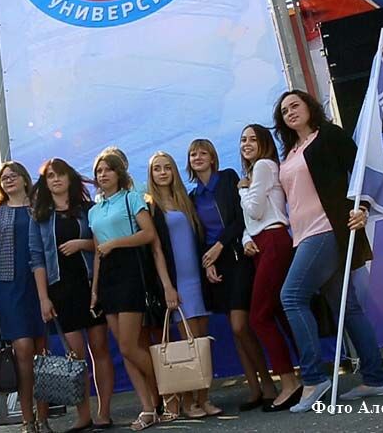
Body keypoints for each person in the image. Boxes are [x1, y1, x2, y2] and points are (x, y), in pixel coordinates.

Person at [273, 90, 383, 412]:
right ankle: (375, 379)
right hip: (304, 235)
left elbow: (363, 171)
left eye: (295, 105)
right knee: (347, 308)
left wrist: (363, 207)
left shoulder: (328, 136)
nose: (290, 112)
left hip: (326, 230)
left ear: (310, 107)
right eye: (284, 110)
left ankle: (313, 379)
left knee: (291, 297)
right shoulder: (290, 152)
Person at [88, 152, 178, 431]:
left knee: (129, 346)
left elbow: (149, 234)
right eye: (99, 171)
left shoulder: (131, 198)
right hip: (107, 278)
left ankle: (167, 389)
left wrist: (115, 243)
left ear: (119, 173)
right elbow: (97, 252)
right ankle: (148, 408)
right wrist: (94, 289)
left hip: (130, 273)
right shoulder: (94, 210)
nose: (103, 175)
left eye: (108, 170)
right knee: (126, 350)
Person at [186, 139, 278, 411]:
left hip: (237, 256)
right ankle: (254, 390)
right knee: (235, 331)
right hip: (215, 264)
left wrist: (219, 246)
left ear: (212, 158)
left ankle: (269, 385)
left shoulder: (227, 179)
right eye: (193, 154)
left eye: (203, 153)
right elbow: (198, 234)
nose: (198, 157)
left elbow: (240, 219)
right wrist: (208, 263)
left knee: (241, 325)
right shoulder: (193, 197)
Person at [29, 158, 114, 431]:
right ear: (45, 183)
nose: (56, 179)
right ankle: (83, 415)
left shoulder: (88, 210)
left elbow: (103, 243)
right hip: (60, 289)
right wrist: (43, 298)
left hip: (91, 285)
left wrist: (82, 244)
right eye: (50, 176)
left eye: (60, 174)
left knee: (100, 349)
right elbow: (36, 259)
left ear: (70, 178)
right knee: (76, 356)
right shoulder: (40, 217)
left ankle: (104, 412)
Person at [147, 151, 221, 419]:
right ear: (151, 174)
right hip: (176, 283)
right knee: (186, 344)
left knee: (202, 342)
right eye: (157, 168)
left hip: (197, 280)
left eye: (167, 167)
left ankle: (204, 398)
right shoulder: (151, 207)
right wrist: (168, 286)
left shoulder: (186, 200)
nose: (163, 172)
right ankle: (188, 402)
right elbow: (156, 251)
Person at [238, 124, 302, 411]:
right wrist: (246, 239)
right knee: (278, 312)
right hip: (261, 243)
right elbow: (252, 221)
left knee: (259, 316)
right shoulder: (255, 173)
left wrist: (242, 190)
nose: (246, 144)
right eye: (243, 139)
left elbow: (254, 210)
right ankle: (308, 374)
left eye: (253, 139)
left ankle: (289, 382)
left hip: (274, 241)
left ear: (264, 143)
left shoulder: (264, 166)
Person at [0, 161, 51, 433]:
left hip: (40, 284)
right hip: (8, 287)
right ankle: (27, 418)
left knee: (42, 353)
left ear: (25, 179)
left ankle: (44, 417)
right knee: (23, 351)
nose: (9, 180)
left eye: (13, 176)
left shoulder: (40, 208)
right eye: (4, 177)